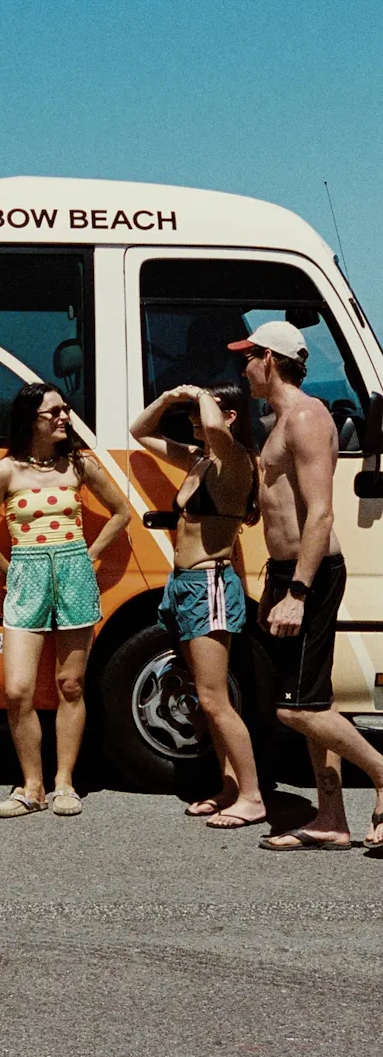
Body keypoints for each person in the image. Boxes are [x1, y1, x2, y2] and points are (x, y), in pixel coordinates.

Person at [230, 320, 383, 851]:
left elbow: (321, 514)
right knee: (310, 702)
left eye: (247, 358)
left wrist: (297, 592)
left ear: (268, 359)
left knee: (298, 709)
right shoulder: (278, 420)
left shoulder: (307, 417)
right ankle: (332, 819)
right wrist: (276, 582)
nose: (242, 368)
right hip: (287, 573)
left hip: (310, 576)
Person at [0, 382, 131, 818]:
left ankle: (63, 784)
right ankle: (30, 787)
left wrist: (90, 555)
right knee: (18, 690)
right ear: (30, 420)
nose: (64, 417)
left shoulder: (79, 465)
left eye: (66, 409)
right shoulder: (6, 472)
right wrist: (13, 571)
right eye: (53, 412)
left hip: (75, 573)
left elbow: (121, 512)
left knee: (70, 685)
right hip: (27, 577)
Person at [130, 382, 265, 828]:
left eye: (203, 412)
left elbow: (212, 422)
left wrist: (202, 394)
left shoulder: (235, 462)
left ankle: (252, 796)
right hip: (183, 584)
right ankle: (228, 787)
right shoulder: (201, 459)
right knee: (209, 698)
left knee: (214, 698)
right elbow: (140, 431)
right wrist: (171, 399)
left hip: (208, 583)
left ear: (230, 417)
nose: (194, 420)